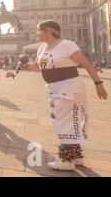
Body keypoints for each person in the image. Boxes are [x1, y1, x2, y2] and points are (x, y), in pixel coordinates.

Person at [18, 21, 108, 171]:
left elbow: (86, 63)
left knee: (64, 122)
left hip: (69, 87)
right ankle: (76, 156)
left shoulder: (67, 45)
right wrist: (25, 65)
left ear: (50, 31)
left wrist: (98, 83)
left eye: (39, 31)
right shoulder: (42, 48)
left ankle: (67, 160)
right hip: (54, 88)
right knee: (69, 121)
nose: (36, 33)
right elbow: (38, 67)